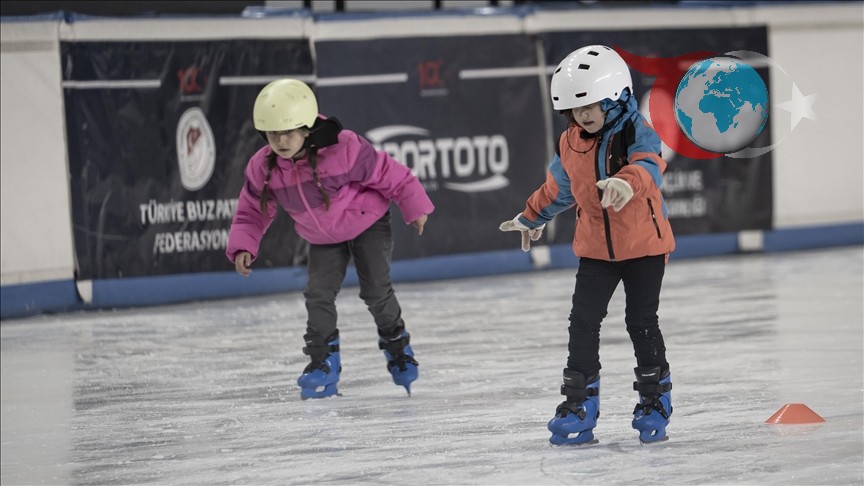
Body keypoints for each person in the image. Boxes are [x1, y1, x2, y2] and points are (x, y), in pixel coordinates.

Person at [499, 45, 676, 445]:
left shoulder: (635, 130)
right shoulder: (570, 141)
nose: (582, 116)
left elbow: (649, 165)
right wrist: (531, 217)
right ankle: (579, 405)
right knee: (582, 322)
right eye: (575, 109)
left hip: (645, 248)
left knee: (640, 322)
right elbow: (560, 189)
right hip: (596, 250)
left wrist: (625, 183)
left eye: (590, 106)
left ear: (615, 97)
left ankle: (654, 401)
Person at [227, 79, 434, 399]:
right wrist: (244, 244)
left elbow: (389, 173)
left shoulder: (344, 148)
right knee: (318, 295)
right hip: (323, 237)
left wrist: (414, 205)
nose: (281, 141)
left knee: (376, 292)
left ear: (307, 127)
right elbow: (252, 210)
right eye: (272, 133)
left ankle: (398, 347)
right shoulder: (264, 168)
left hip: (368, 223)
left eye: (289, 131)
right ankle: (323, 362)